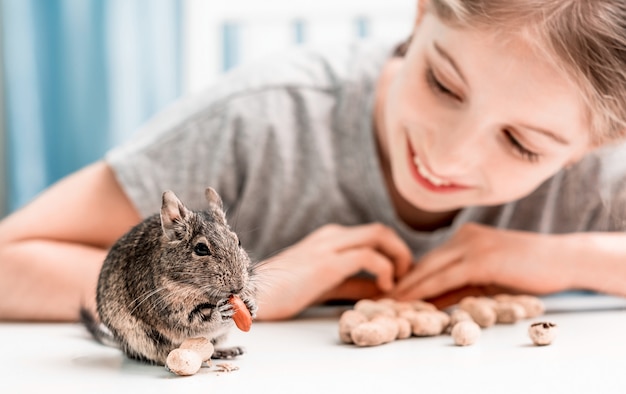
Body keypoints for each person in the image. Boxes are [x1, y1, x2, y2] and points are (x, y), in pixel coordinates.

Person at [2, 0, 626, 322]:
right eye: (443, 83)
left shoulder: (598, 174)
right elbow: (10, 262)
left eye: (522, 145)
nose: (447, 154)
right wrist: (252, 291)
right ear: (419, 12)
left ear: (595, 146)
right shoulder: (260, 122)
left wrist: (551, 256)